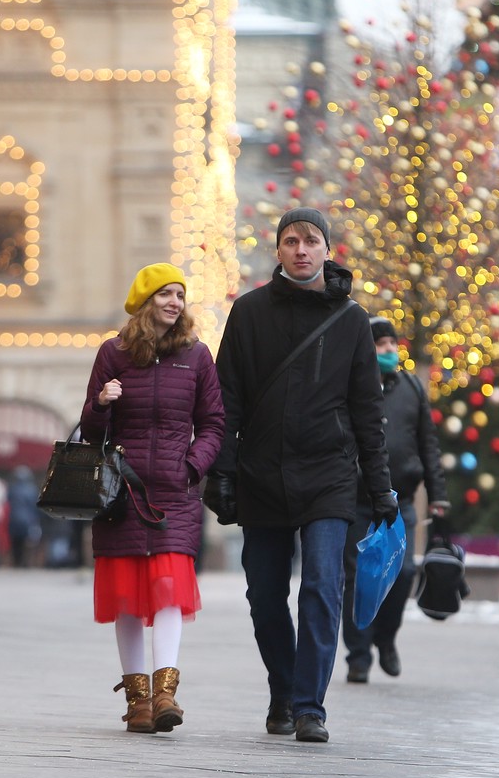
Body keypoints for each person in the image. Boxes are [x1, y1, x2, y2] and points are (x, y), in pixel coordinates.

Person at [209, 206, 398, 744]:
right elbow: (227, 401)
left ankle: (310, 706)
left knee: (320, 584)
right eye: (290, 240)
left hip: (329, 475)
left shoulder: (353, 320)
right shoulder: (248, 313)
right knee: (265, 595)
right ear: (278, 251)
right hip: (262, 473)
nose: (300, 249)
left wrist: (380, 487)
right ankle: (282, 691)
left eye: (311, 240)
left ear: (327, 250)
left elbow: (367, 411)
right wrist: (222, 474)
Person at [80, 262, 225, 734]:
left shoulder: (197, 356)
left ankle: (165, 695)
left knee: (168, 591)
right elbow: (90, 431)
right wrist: (102, 402)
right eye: (165, 293)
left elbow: (214, 423)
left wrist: (192, 466)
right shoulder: (114, 353)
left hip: (172, 493)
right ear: (145, 301)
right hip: (120, 493)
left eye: (180, 295)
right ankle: (138, 702)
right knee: (125, 597)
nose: (175, 302)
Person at [341, 316, 450, 684]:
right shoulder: (350, 386)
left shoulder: (412, 388)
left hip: (401, 501)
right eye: (380, 344)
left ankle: (385, 638)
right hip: (356, 501)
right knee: (359, 578)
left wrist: (438, 495)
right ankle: (358, 655)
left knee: (402, 573)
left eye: (392, 343)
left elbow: (428, 443)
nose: (389, 350)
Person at [5, 465, 41, 567]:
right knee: (28, 542)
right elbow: (35, 506)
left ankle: (17, 561)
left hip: (14, 519)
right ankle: (27, 562)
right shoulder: (32, 490)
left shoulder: (12, 489)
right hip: (28, 520)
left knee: (15, 542)